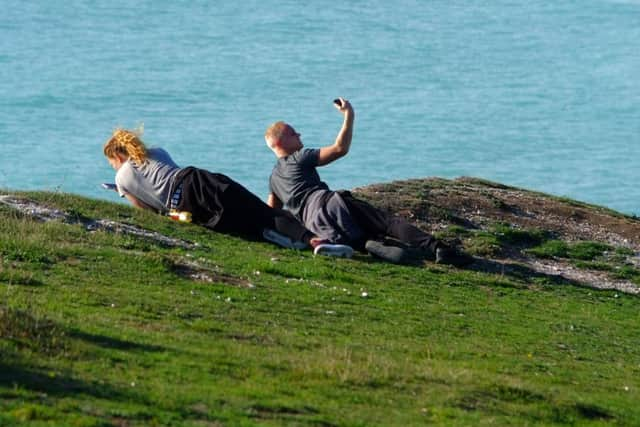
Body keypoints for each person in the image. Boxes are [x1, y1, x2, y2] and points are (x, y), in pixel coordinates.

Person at [264, 98, 472, 266]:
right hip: (329, 203)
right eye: (293, 133)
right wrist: (349, 115)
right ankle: (438, 248)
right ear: (281, 142)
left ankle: (370, 244)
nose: (299, 134)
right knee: (388, 223)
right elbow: (339, 149)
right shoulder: (300, 157)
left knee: (359, 235)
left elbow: (272, 213)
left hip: (316, 224)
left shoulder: (273, 179)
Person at [103, 128, 353, 257]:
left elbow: (147, 212)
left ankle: (285, 239)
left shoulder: (121, 178)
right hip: (197, 179)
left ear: (116, 155)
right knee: (258, 209)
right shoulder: (155, 151)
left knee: (237, 225)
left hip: (184, 205)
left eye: (112, 162)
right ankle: (314, 239)